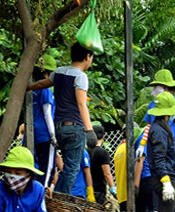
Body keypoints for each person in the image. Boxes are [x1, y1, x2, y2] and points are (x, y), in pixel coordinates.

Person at [30, 42, 96, 197]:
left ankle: (56, 196)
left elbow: (40, 84)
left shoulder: (58, 72)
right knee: (71, 169)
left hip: (59, 128)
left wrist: (26, 86)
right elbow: (81, 104)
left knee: (66, 168)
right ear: (87, 57)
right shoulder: (81, 77)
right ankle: (60, 199)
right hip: (74, 128)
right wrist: (89, 129)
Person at [135, 68, 175, 164]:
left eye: (157, 85)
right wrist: (142, 145)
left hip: (171, 145)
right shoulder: (153, 104)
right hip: (154, 144)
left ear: (165, 87)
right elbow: (149, 126)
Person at [28, 53, 57, 182]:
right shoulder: (45, 90)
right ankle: (43, 196)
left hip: (33, 134)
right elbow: (47, 113)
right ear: (49, 72)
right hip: (45, 134)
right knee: (47, 169)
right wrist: (53, 135)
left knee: (34, 167)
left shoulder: (32, 90)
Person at [89, 122, 114, 203]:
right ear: (104, 137)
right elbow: (107, 173)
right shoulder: (103, 153)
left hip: (87, 188)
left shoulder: (85, 152)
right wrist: (112, 187)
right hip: (99, 190)